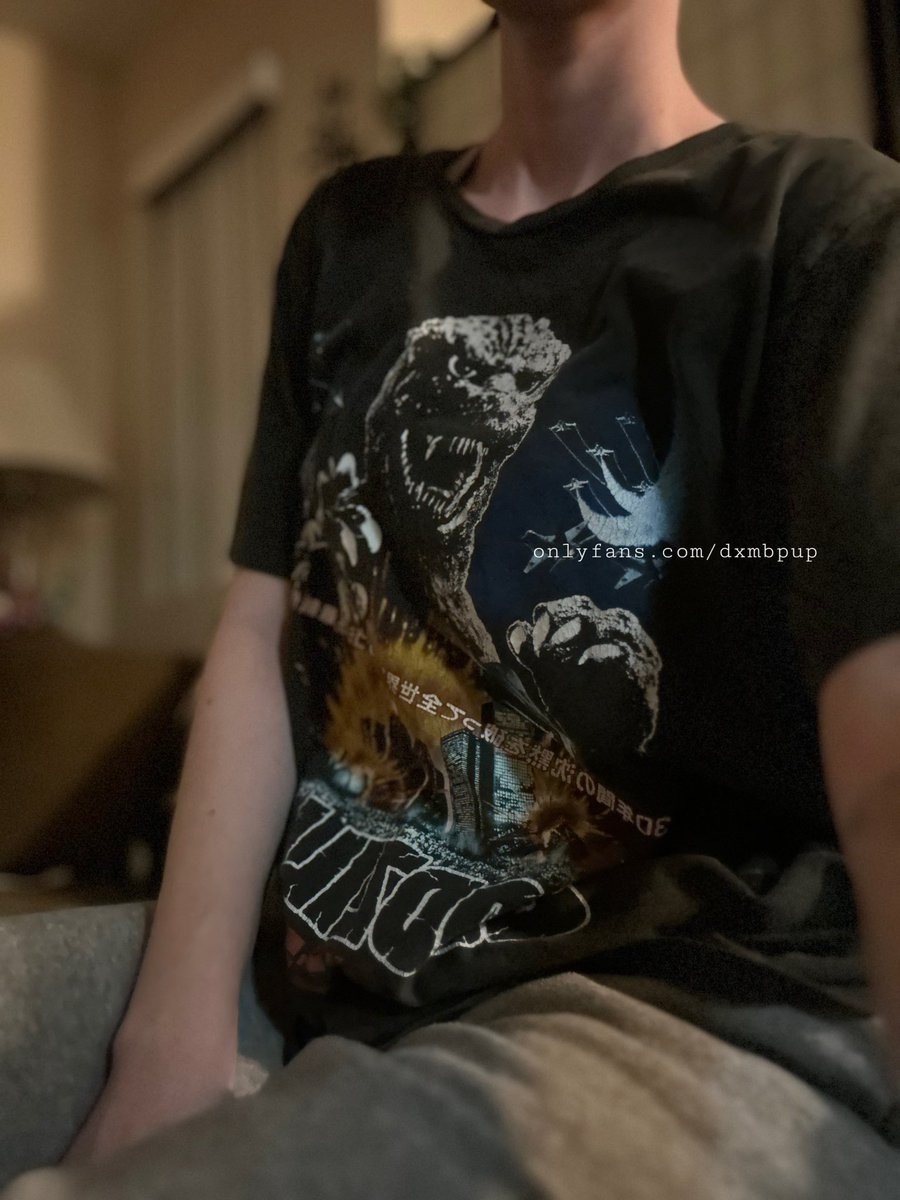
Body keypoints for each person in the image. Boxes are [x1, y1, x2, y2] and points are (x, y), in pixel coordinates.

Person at [3, 0, 900, 1196]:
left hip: (690, 1004)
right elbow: (261, 628)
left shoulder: (831, 227)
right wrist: (171, 1036)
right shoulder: (349, 237)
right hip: (323, 965)